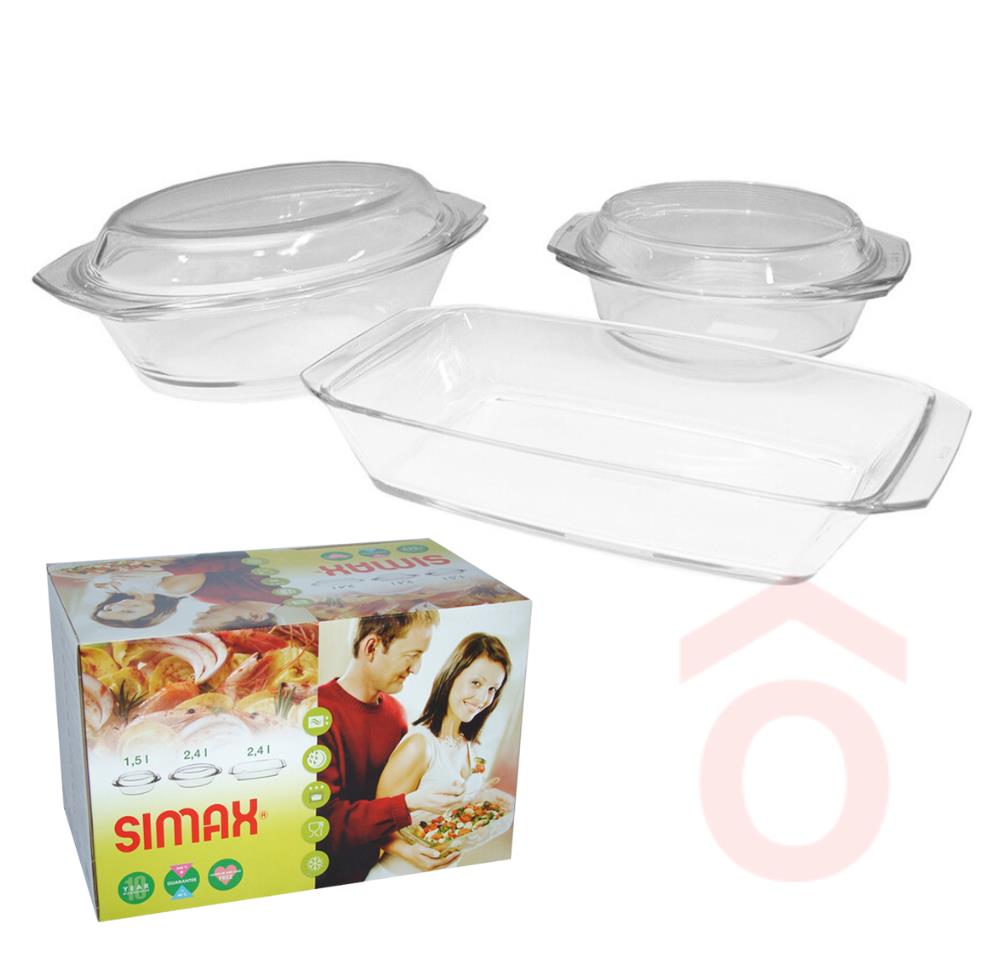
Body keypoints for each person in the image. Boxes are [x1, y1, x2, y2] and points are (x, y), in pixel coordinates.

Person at [315, 606, 466, 886]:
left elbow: (384, 807)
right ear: (372, 647)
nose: (416, 668)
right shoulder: (315, 712)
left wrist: (407, 850)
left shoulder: (396, 715)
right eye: (412, 655)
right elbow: (326, 822)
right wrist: (410, 803)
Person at [366, 632, 512, 879]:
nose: (482, 698)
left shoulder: (471, 746)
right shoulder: (420, 746)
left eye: (492, 689)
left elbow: (448, 820)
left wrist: (480, 799)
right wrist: (410, 853)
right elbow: (376, 822)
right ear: (452, 674)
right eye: (476, 683)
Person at [91, 552, 281, 629]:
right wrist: (163, 571)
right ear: (256, 617)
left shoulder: (208, 597)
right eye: (211, 614)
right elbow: (238, 559)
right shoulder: (275, 590)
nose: (201, 611)